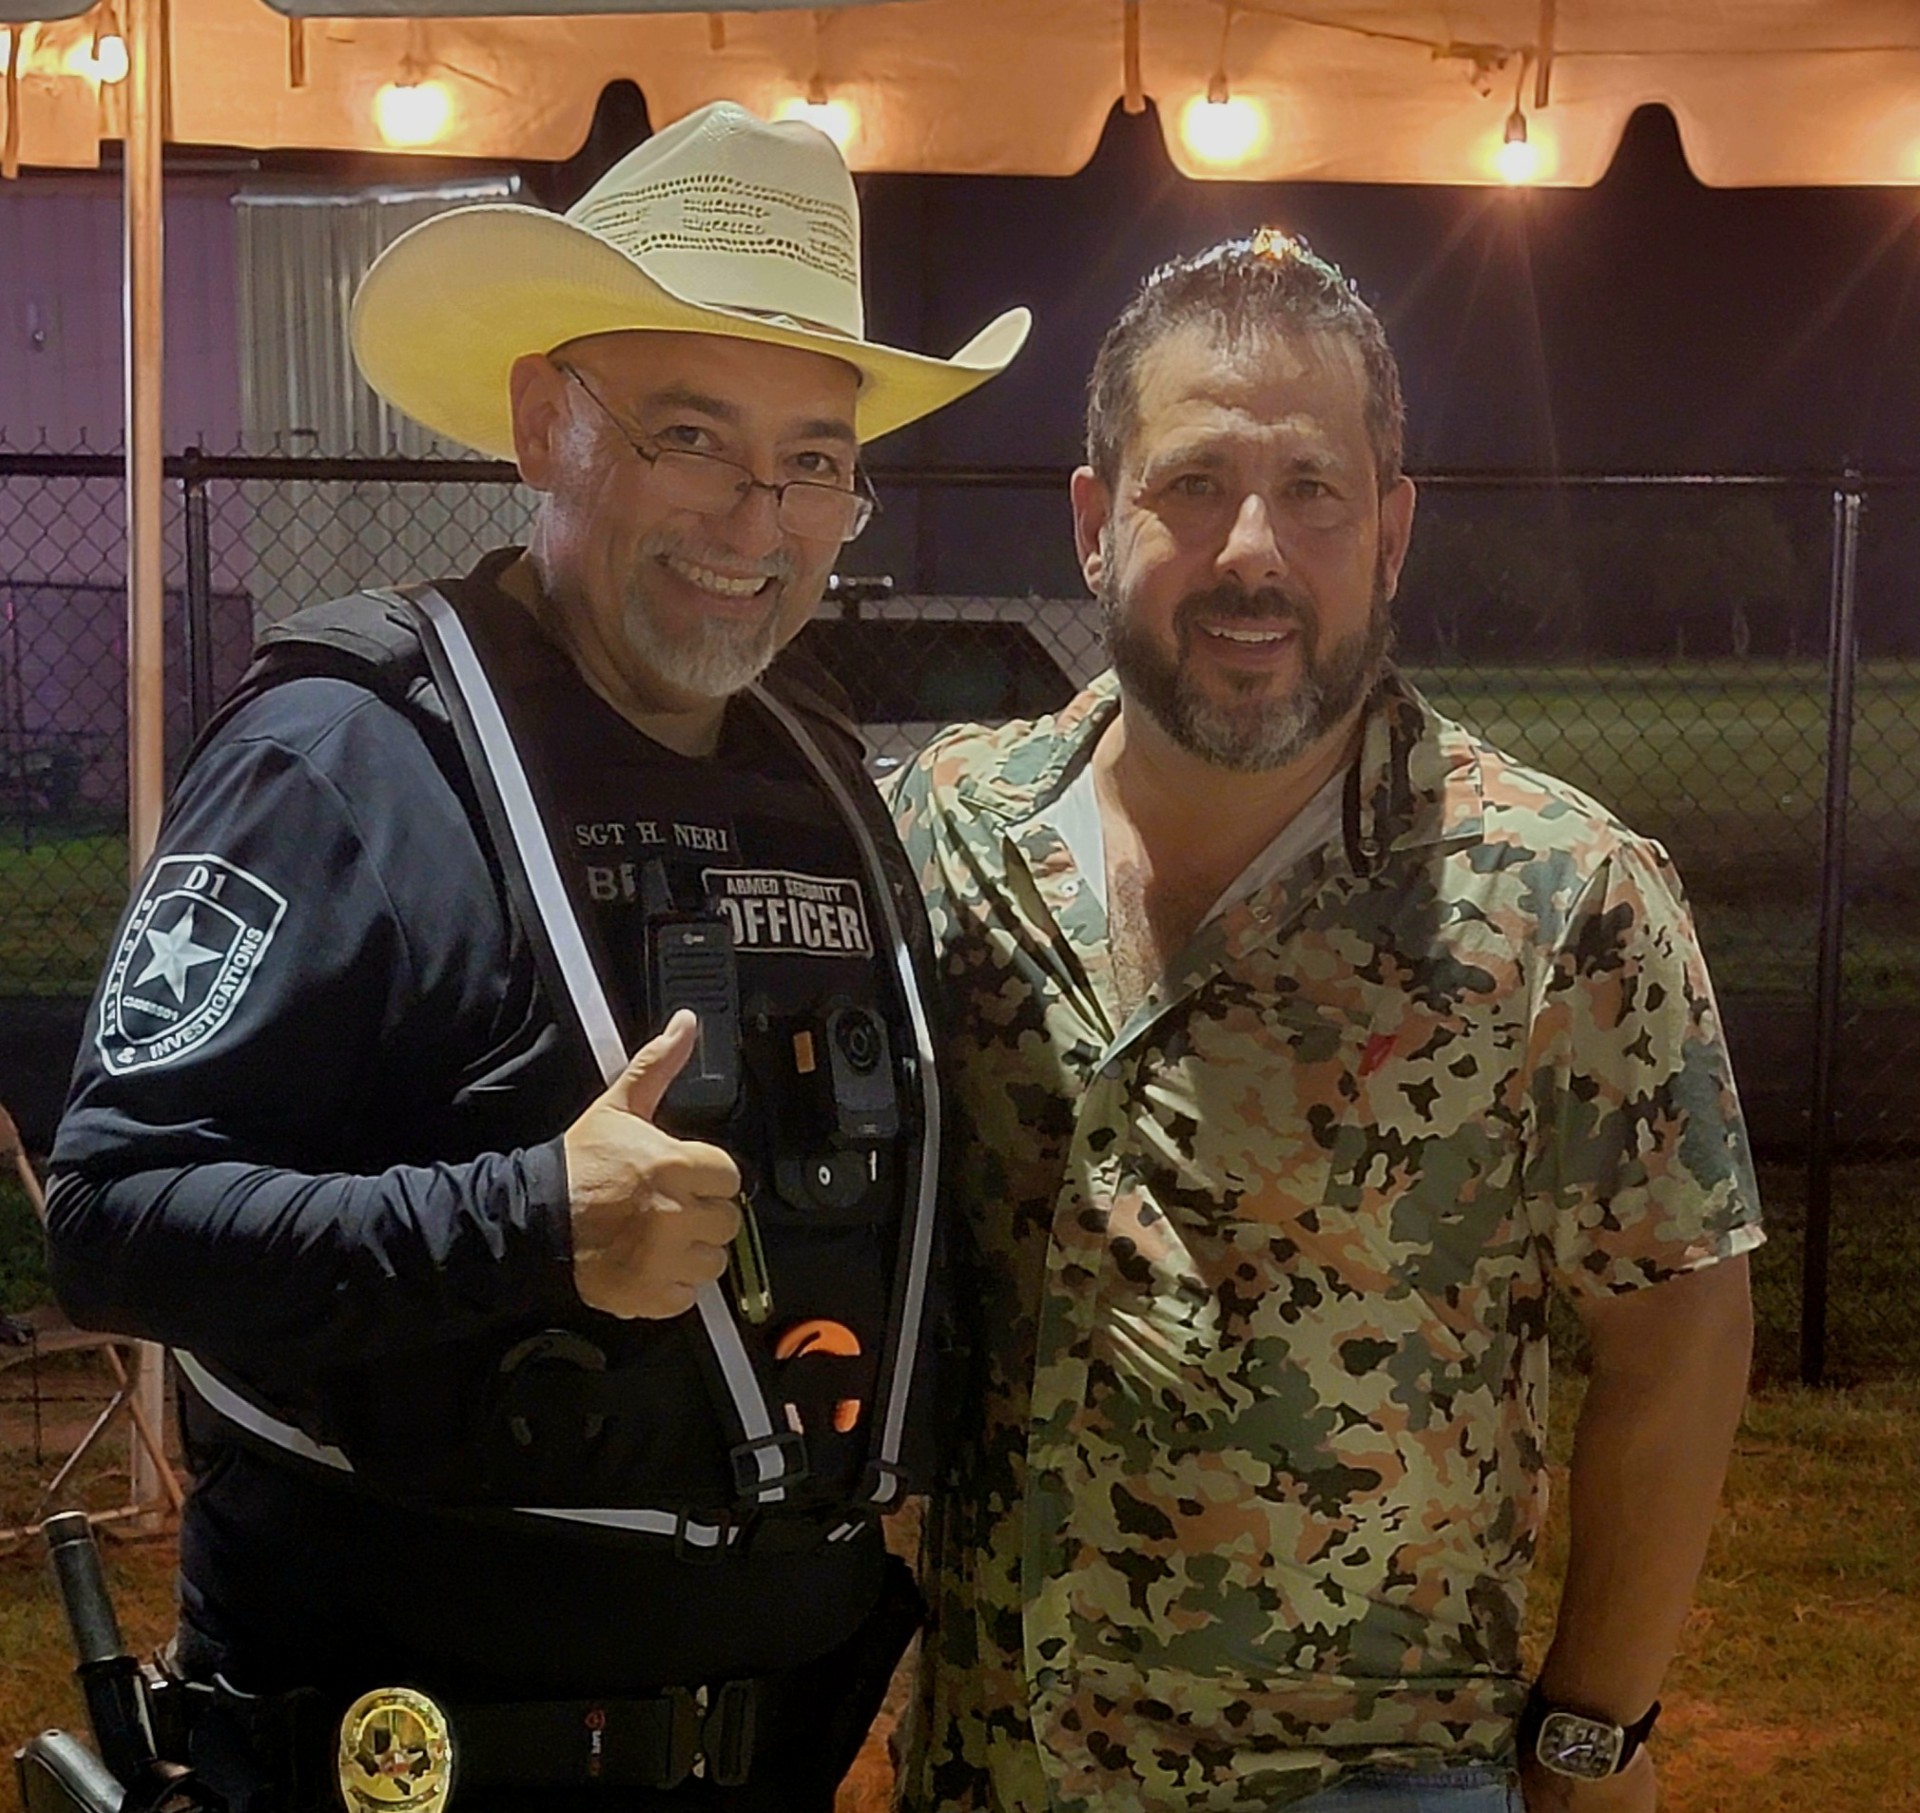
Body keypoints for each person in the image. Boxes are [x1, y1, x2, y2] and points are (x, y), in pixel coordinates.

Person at [45, 102, 1028, 1813]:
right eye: (691, 435)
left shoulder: (819, 771)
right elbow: (114, 1220)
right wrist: (523, 1221)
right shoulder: (342, 764)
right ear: (540, 424)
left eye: (814, 460)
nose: (759, 517)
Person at [890, 232, 1760, 1813]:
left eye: (1313, 490)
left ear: (1392, 531)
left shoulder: (1555, 896)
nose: (1253, 550)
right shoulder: (948, 838)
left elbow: (1679, 1323)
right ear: (1092, 521)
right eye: (1192, 484)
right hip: (994, 1764)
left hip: (1371, 1777)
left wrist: (1596, 1725)